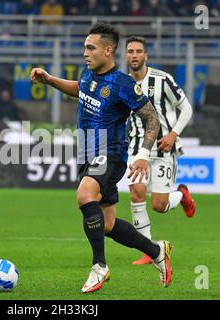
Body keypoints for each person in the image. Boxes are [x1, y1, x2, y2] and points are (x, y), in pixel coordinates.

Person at [30, 22, 173, 293]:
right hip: (87, 152)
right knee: (106, 224)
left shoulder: (122, 83)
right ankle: (157, 252)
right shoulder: (88, 74)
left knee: (85, 195)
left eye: (90, 47)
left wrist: (143, 154)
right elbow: (81, 89)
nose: (85, 52)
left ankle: (100, 266)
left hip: (110, 152)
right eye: (85, 46)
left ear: (108, 51)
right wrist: (50, 80)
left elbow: (151, 118)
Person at [125, 36, 196, 265]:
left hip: (164, 148)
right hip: (137, 148)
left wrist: (173, 134)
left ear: (145, 55)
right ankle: (149, 249)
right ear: (126, 56)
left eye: (138, 51)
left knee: (159, 205)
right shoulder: (123, 84)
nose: (134, 55)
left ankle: (181, 195)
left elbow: (186, 108)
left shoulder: (163, 80)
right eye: (130, 51)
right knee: (136, 193)